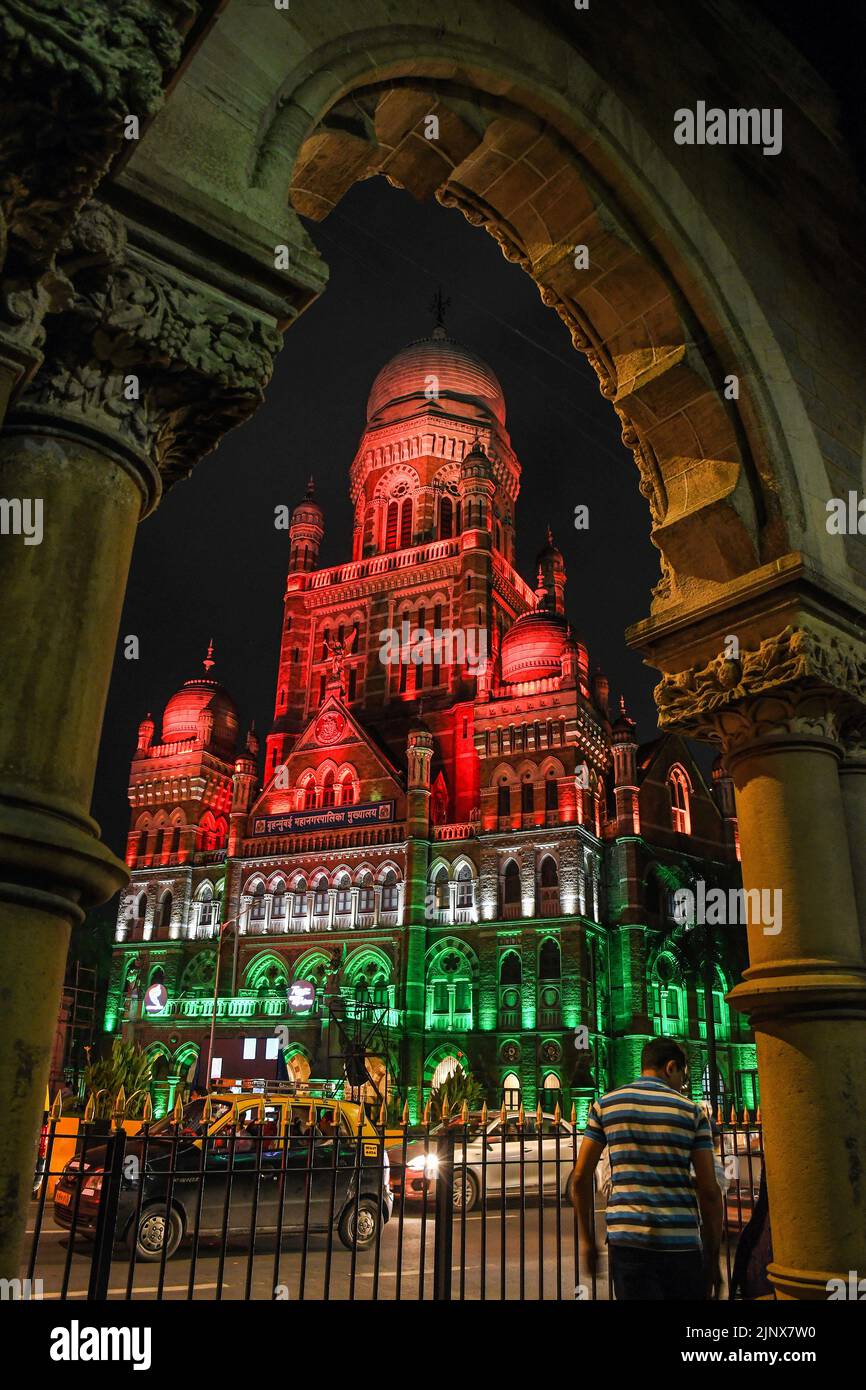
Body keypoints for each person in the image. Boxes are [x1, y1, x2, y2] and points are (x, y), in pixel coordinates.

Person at [571, 1038, 722, 1300]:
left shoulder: (605, 1106)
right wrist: (712, 1260)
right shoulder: (692, 1113)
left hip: (628, 1242)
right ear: (671, 1067)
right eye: (682, 1077)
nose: (682, 1086)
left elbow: (581, 1178)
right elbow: (710, 1191)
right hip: (682, 1245)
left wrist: (587, 1241)